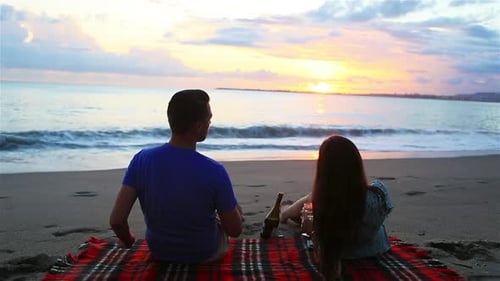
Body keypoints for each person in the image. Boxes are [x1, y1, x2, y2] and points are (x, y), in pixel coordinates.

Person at [109, 89, 243, 264]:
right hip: (203, 253)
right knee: (233, 211)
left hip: (159, 251)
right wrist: (237, 214)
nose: (210, 124)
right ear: (199, 126)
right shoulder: (214, 170)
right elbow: (234, 230)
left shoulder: (141, 160)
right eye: (209, 120)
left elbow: (117, 221)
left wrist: (128, 241)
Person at [280, 135, 393, 280]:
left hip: (340, 253)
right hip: (375, 248)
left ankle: (285, 212)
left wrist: (309, 225)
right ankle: (287, 212)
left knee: (314, 198)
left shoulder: (322, 207)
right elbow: (384, 208)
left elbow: (313, 234)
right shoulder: (379, 194)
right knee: (319, 197)